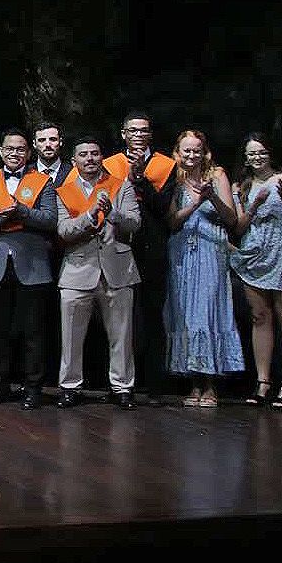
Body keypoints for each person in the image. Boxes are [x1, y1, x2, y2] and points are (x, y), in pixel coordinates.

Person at [230, 132, 282, 409]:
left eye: (262, 152)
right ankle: (263, 382)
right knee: (259, 316)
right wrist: (254, 204)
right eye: (251, 153)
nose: (257, 157)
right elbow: (239, 227)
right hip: (256, 252)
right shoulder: (241, 185)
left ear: (271, 153)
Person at [56, 137, 141, 408]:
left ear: (101, 157)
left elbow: (135, 222)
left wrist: (112, 213)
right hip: (77, 269)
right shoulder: (63, 191)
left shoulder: (120, 186)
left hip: (116, 268)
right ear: (74, 161)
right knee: (71, 335)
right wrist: (91, 214)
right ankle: (70, 386)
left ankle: (122, 387)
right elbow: (64, 231)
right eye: (84, 155)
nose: (90, 159)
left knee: (121, 334)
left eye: (95, 154)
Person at [0, 129, 57, 409]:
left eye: (21, 149)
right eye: (9, 149)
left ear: (29, 152)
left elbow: (49, 219)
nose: (15, 153)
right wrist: (3, 218)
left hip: (32, 264)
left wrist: (22, 212)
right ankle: (0, 385)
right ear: (0, 151)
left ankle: (33, 387)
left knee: (33, 330)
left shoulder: (41, 181)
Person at [163, 130, 244, 406]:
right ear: (178, 151)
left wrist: (212, 198)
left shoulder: (217, 175)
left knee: (208, 313)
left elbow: (232, 219)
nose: (191, 155)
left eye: (196, 150)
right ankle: (193, 384)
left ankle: (210, 384)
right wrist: (195, 203)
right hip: (182, 252)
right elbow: (172, 222)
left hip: (211, 252)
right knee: (185, 313)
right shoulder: (172, 177)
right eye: (186, 150)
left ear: (204, 151)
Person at [104, 112, 175, 405]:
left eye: (143, 131)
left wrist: (141, 180)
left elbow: (162, 208)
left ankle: (155, 386)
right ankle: (120, 385)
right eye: (132, 130)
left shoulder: (165, 165)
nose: (138, 135)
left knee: (152, 316)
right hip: (118, 245)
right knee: (119, 319)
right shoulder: (110, 164)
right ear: (123, 133)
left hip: (152, 246)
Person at [32, 121, 70, 187]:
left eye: (53, 139)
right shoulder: (25, 173)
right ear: (34, 144)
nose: (48, 145)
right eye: (42, 140)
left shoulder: (72, 172)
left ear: (60, 142)